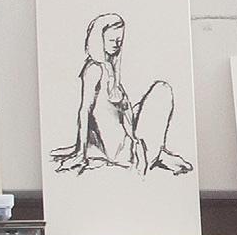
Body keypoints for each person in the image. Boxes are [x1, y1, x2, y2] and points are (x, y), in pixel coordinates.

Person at [50, 12, 187, 176]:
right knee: (162, 89)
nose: (117, 45)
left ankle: (158, 153)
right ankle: (157, 155)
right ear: (98, 40)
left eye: (119, 40)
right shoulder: (94, 69)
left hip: (129, 143)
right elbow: (85, 111)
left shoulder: (110, 69)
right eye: (111, 40)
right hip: (125, 153)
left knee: (156, 93)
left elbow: (122, 115)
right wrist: (80, 152)